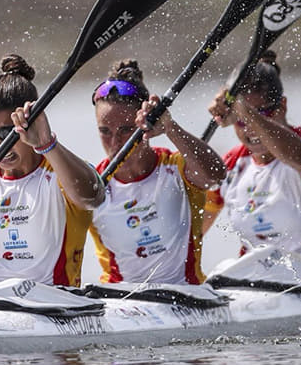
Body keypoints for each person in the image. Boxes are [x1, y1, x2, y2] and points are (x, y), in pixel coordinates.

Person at [0, 54, 105, 287]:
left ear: (30, 124)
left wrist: (46, 144)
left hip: (54, 303)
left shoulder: (61, 173)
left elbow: (93, 197)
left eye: (6, 133)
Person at [204, 50, 301, 267]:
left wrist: (244, 111)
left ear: (282, 107)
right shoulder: (232, 163)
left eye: (261, 114)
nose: (251, 128)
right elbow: (187, 233)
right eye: (241, 120)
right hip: (250, 287)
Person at [89, 60, 226, 285]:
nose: (115, 142)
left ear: (144, 123)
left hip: (183, 296)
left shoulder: (176, 167)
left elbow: (215, 175)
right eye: (105, 131)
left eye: (125, 130)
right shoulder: (91, 184)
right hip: (118, 301)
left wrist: (170, 128)